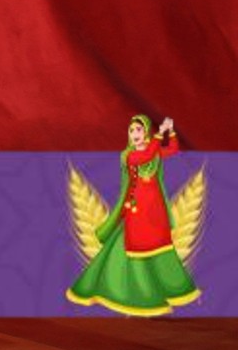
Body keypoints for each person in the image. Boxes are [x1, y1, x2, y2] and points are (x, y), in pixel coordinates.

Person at [66, 113, 201, 314]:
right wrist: (159, 134)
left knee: (160, 243)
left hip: (154, 210)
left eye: (138, 129)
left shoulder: (154, 152)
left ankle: (170, 286)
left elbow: (172, 149)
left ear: (145, 132)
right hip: (137, 209)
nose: (134, 134)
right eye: (131, 131)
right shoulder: (128, 155)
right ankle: (133, 291)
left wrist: (170, 131)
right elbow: (144, 156)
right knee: (135, 244)